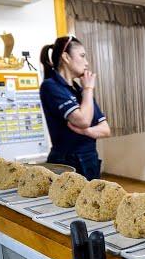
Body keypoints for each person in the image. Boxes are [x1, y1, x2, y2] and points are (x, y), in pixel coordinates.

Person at [39, 36, 111, 180]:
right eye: (82, 56)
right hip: (66, 161)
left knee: (91, 202)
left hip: (89, 158)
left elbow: (105, 129)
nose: (87, 62)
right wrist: (89, 88)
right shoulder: (51, 86)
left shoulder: (80, 90)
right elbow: (83, 120)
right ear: (66, 57)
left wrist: (86, 131)